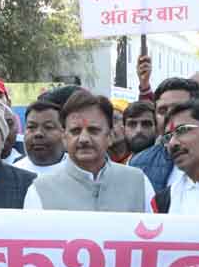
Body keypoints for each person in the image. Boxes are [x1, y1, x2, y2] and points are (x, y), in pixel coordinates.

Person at [24, 90, 154, 212]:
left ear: (109, 136)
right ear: (64, 138)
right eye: (75, 131)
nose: (84, 139)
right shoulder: (40, 191)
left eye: (93, 130)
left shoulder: (138, 182)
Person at [15, 100, 68, 174]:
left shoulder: (79, 171)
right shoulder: (11, 173)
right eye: (31, 127)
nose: (38, 133)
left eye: (48, 127)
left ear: (64, 133)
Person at [109, 98, 130, 163]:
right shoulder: (95, 159)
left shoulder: (138, 159)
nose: (109, 125)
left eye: (115, 119)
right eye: (106, 119)